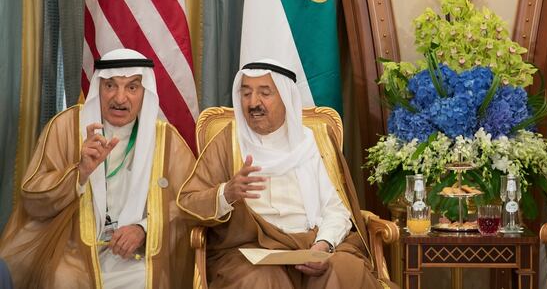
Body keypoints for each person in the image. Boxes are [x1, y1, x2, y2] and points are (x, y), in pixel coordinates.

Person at [177, 59, 386, 289]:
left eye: (264, 93)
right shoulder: (228, 143)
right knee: (261, 280)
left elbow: (336, 209)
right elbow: (189, 203)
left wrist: (324, 245)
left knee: (342, 271)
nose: (253, 103)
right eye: (246, 94)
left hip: (313, 242)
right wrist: (227, 193)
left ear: (286, 97)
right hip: (250, 249)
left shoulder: (316, 141)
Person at [0, 49, 196, 289]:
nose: (120, 98)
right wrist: (79, 173)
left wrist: (143, 228)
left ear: (145, 92)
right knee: (62, 279)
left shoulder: (165, 140)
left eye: (132, 88)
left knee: (146, 280)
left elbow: (188, 202)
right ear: (98, 88)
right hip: (72, 248)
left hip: (132, 253)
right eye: (110, 86)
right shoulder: (66, 128)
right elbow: (33, 199)